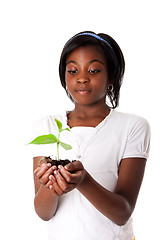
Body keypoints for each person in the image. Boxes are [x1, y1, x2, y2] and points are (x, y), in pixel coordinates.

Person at [32, 31, 150, 240]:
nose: (82, 78)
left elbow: (123, 213)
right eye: (73, 70)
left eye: (94, 70)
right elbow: (43, 213)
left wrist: (83, 180)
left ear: (111, 75)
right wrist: (51, 185)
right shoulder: (47, 126)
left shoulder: (132, 126)